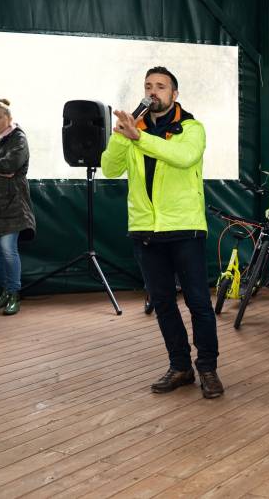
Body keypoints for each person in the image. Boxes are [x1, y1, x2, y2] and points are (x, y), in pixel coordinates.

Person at [101, 67, 223, 398]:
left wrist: (139, 138)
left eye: (161, 86)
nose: (153, 91)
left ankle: (208, 368)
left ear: (174, 94)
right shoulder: (133, 129)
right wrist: (121, 135)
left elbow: (183, 157)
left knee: (198, 303)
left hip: (185, 229)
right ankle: (180, 366)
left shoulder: (191, 128)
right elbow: (110, 169)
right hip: (145, 230)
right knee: (163, 304)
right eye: (148, 86)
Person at [0, 99, 36, 315]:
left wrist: (1, 168)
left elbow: (10, 165)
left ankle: (15, 294)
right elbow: (3, 167)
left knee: (8, 250)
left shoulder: (18, 138)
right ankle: (5, 293)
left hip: (14, 204)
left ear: (9, 118)